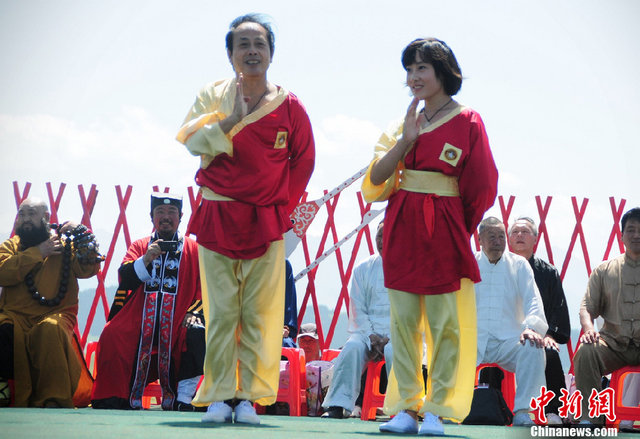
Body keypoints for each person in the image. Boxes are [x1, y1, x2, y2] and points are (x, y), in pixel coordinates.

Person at [176, 13, 315, 425]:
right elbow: (190, 140)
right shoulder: (211, 96)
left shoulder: (290, 105)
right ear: (230, 53)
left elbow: (303, 161)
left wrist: (278, 205)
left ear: (271, 53)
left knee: (260, 313)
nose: (252, 51)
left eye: (260, 44)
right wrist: (231, 119)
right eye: (243, 44)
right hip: (218, 212)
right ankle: (219, 394)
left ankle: (250, 399)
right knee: (220, 312)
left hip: (266, 221)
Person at [362, 38, 498, 435]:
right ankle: (406, 406)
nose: (414, 77)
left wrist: (458, 225)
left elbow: (481, 184)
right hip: (403, 223)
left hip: (445, 227)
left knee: (444, 326)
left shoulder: (469, 120)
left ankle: (437, 407)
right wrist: (406, 139)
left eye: (422, 68)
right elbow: (375, 178)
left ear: (443, 71)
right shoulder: (402, 123)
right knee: (402, 322)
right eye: (409, 70)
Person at [91, 193, 204, 411]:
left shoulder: (194, 249)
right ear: (151, 217)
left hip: (179, 320)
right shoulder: (140, 245)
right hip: (139, 319)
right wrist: (146, 259)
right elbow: (124, 276)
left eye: (171, 213)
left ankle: (185, 399)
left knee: (197, 332)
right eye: (160, 212)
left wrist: (194, 313)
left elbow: (203, 285)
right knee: (112, 333)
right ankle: (114, 396)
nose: (165, 217)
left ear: (180, 217)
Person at [0, 197, 101, 407]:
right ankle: (4, 389)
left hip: (55, 313)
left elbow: (88, 269)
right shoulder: (10, 246)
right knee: (3, 328)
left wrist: (82, 232)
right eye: (22, 214)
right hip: (15, 316)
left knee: (49, 329)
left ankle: (53, 399)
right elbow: (3, 273)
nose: (25, 219)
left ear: (46, 218)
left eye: (31, 214)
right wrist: (38, 253)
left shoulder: (64, 245)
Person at [475, 216, 548, 426]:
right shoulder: (469, 263)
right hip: (473, 339)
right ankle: (443, 411)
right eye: (491, 237)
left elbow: (532, 299)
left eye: (501, 236)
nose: (498, 241)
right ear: (480, 239)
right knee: (446, 347)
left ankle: (522, 411)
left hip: (509, 340)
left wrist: (531, 328)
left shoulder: (519, 265)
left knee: (534, 347)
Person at [574, 207, 640, 425]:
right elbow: (587, 307)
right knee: (586, 351)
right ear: (621, 236)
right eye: (631, 230)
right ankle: (590, 417)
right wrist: (589, 329)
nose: (636, 235)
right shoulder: (604, 270)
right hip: (612, 345)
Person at [322, 221, 391, 419]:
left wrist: (387, 337)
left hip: (398, 333)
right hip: (367, 333)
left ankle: (403, 408)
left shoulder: (410, 267)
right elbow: (357, 309)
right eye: (379, 236)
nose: (381, 241)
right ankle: (336, 405)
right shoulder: (362, 268)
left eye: (387, 236)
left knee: (395, 350)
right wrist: (371, 336)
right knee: (352, 348)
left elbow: (412, 312)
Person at [508, 216, 571, 425]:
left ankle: (554, 411)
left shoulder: (547, 272)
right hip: (505, 334)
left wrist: (550, 334)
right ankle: (493, 407)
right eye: (515, 232)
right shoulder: (500, 268)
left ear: (535, 238)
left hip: (537, 335)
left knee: (550, 354)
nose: (519, 235)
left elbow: (557, 308)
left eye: (525, 232)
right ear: (508, 238)